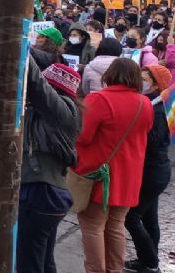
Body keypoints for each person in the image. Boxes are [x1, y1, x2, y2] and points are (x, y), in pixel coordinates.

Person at [74, 58, 154, 273]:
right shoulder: (144, 103)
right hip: (129, 176)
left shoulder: (98, 99)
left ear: (109, 75)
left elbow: (83, 137)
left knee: (93, 226)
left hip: (100, 175)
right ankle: (114, 269)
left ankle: (95, 270)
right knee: (116, 226)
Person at [16, 59, 82, 273]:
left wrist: (22, 43)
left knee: (29, 264)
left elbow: (37, 84)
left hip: (41, 194)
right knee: (43, 261)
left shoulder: (62, 111)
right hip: (45, 194)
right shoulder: (44, 113)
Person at [123, 65, 172, 273]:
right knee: (149, 218)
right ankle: (148, 262)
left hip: (153, 172)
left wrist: (135, 129)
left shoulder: (156, 109)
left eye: (143, 78)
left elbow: (154, 140)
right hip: (155, 171)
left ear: (154, 84)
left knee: (131, 218)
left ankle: (150, 261)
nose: (139, 81)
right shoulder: (151, 104)